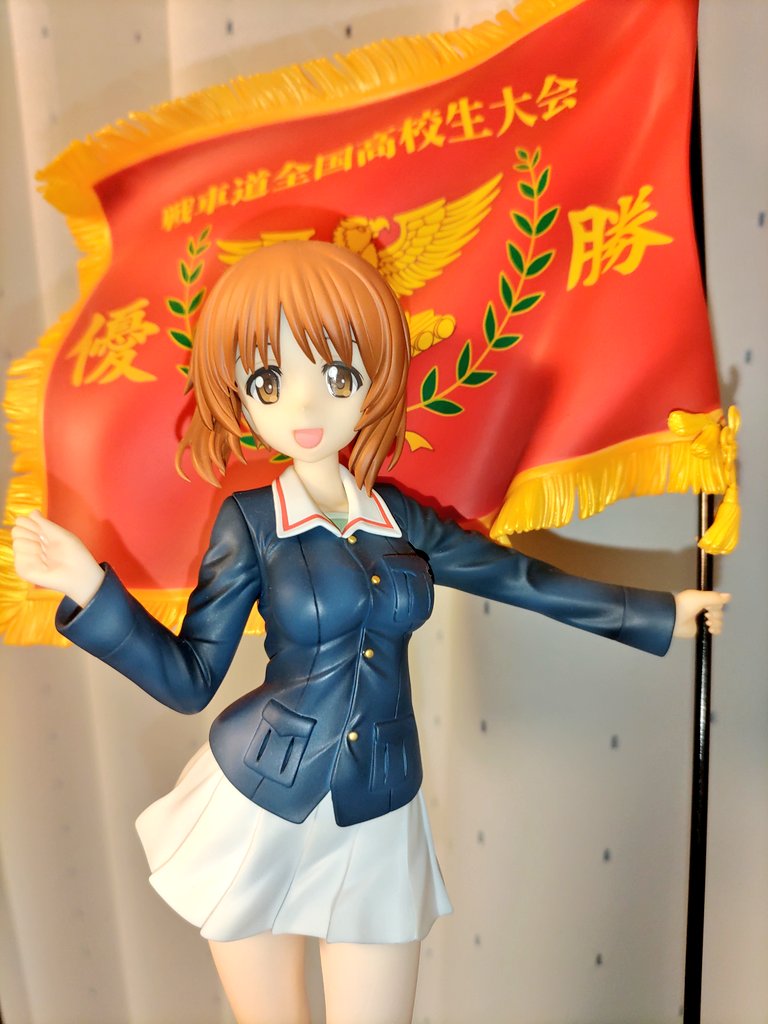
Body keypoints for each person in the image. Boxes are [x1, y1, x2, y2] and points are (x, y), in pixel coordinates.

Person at [12, 241, 729, 1024]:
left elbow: (516, 578)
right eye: (269, 381)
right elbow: (190, 679)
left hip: (380, 800)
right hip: (260, 799)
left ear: (371, 379)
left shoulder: (399, 519)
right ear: (239, 394)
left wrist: (660, 614)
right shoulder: (251, 523)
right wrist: (90, 589)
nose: (305, 407)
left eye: (336, 375)